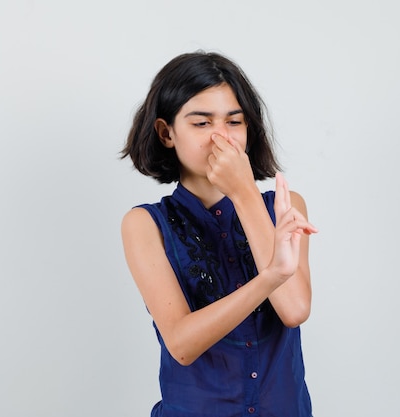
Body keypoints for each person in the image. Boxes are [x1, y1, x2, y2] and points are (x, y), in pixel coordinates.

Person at [120, 51, 317, 417]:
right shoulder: (145, 224)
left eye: (234, 122)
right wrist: (270, 277)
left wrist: (243, 194)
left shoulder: (287, 206)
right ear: (166, 133)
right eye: (201, 123)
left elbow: (294, 309)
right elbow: (181, 344)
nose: (221, 138)